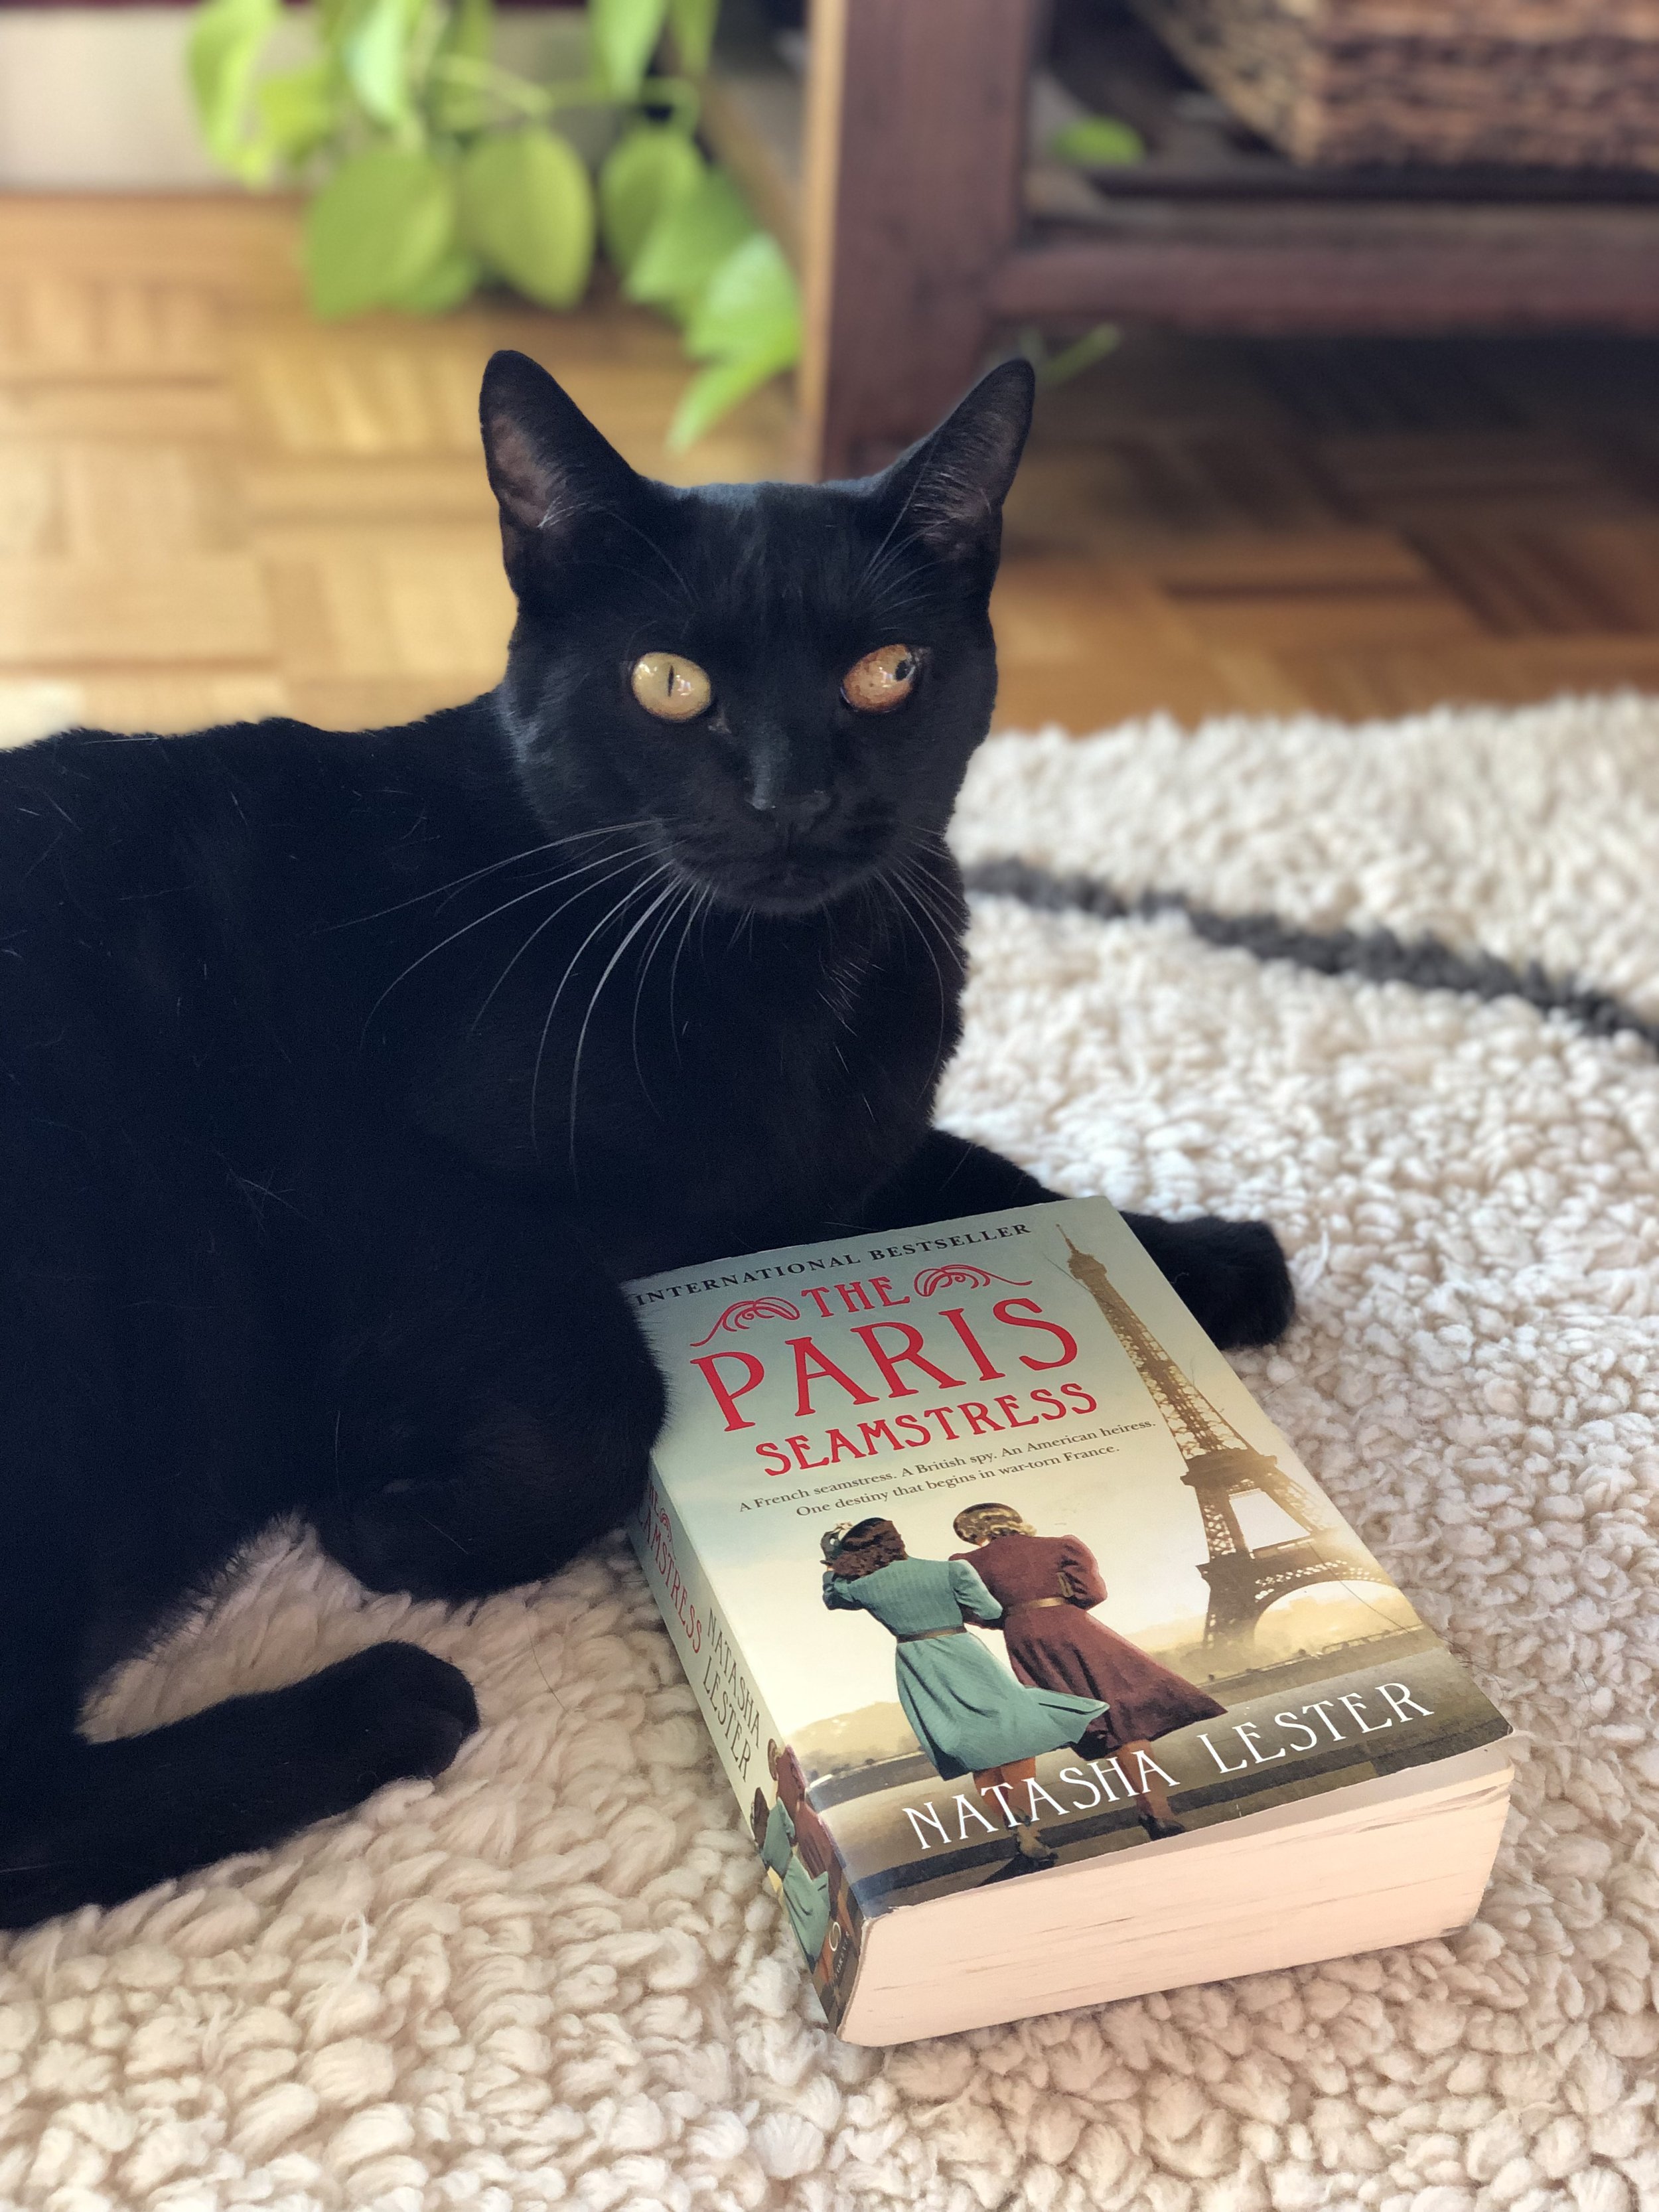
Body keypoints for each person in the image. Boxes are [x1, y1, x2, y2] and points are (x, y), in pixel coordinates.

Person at [822, 1517, 1108, 1872]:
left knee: (978, 1752)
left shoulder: (861, 1588)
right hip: (966, 1656)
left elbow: (833, 1596)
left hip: (919, 1665)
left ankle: (1017, 1830)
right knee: (1015, 1738)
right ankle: (1030, 1825)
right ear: (897, 1540)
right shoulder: (951, 1571)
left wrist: (832, 1556)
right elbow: (990, 1611)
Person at [952, 1501, 1226, 1838]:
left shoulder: (965, 1564)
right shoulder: (1060, 1546)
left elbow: (977, 1613)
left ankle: (1148, 1808)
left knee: (1090, 1720)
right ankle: (1156, 1808)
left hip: (1024, 1640)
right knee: (1122, 1716)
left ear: (973, 1532)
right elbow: (1092, 1592)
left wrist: (1013, 1618)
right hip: (1074, 1628)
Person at [751, 1739, 837, 1966]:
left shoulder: (778, 1818)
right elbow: (791, 1832)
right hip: (795, 1870)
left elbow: (789, 1833)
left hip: (795, 1866)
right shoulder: (780, 1812)